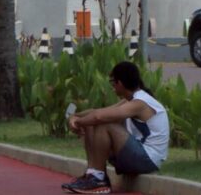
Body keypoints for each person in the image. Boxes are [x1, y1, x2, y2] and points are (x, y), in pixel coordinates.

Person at [62, 61, 169, 194]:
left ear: (120, 83)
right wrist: (75, 117)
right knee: (94, 123)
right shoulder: (130, 99)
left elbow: (99, 117)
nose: (112, 87)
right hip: (135, 155)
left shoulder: (140, 103)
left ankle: (99, 180)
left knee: (104, 122)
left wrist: (77, 123)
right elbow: (98, 111)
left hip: (148, 160)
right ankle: (93, 175)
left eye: (113, 83)